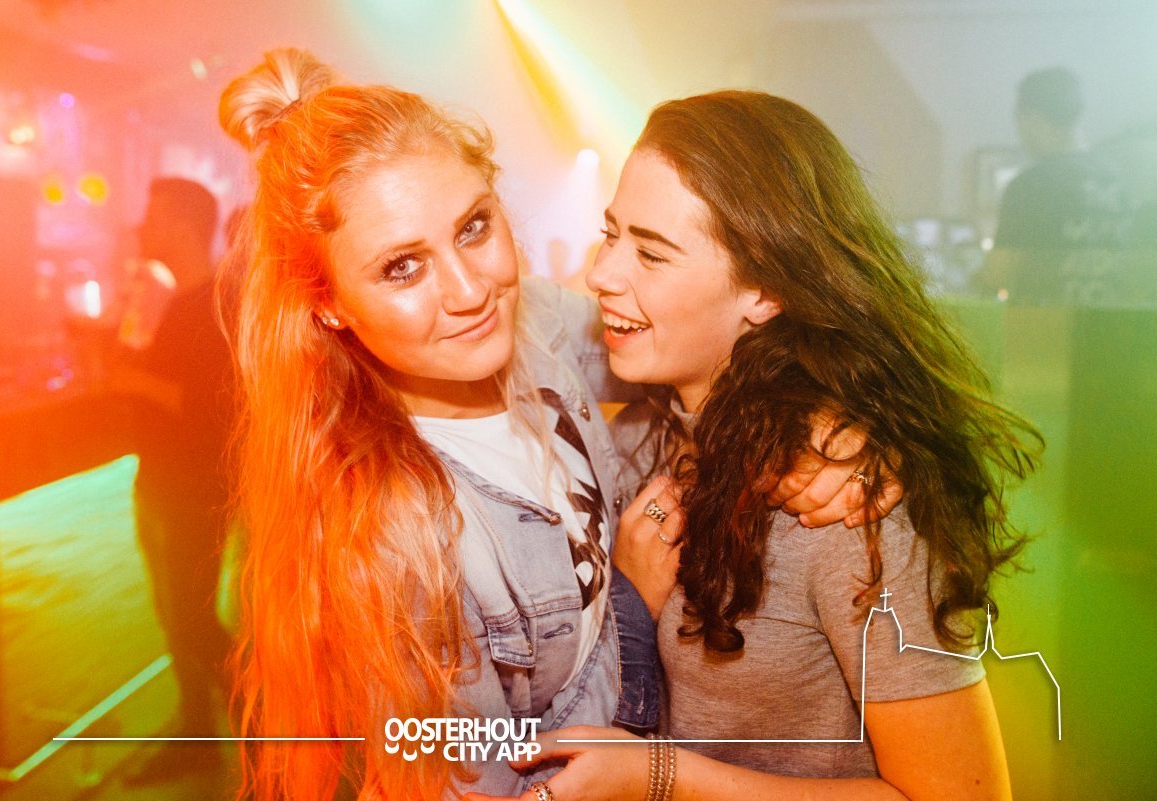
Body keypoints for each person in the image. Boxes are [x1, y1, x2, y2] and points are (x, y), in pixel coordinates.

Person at [217, 52, 877, 801]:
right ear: (330, 304)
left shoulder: (530, 328)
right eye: (403, 267)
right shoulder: (391, 540)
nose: (470, 291)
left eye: (473, 227)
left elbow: (692, 341)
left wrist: (826, 424)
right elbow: (499, 785)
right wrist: (629, 602)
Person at [468, 91, 1041, 801]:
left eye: (651, 253)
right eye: (610, 234)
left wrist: (662, 777)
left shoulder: (841, 501)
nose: (603, 273)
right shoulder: (639, 430)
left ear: (765, 290)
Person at [109, 177, 235, 782]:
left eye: (154, 218)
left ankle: (270, 745)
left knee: (196, 620)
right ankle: (197, 734)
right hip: (161, 477)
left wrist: (127, 380)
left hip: (197, 485)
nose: (141, 227)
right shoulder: (174, 300)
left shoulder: (214, 305)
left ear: (184, 228)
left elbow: (210, 408)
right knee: (175, 612)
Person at [975, 66, 1125, 304]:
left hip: (1045, 322)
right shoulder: (1116, 180)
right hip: (1112, 322)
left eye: (1019, 123)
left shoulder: (1030, 186)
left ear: (1032, 119)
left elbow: (998, 274)